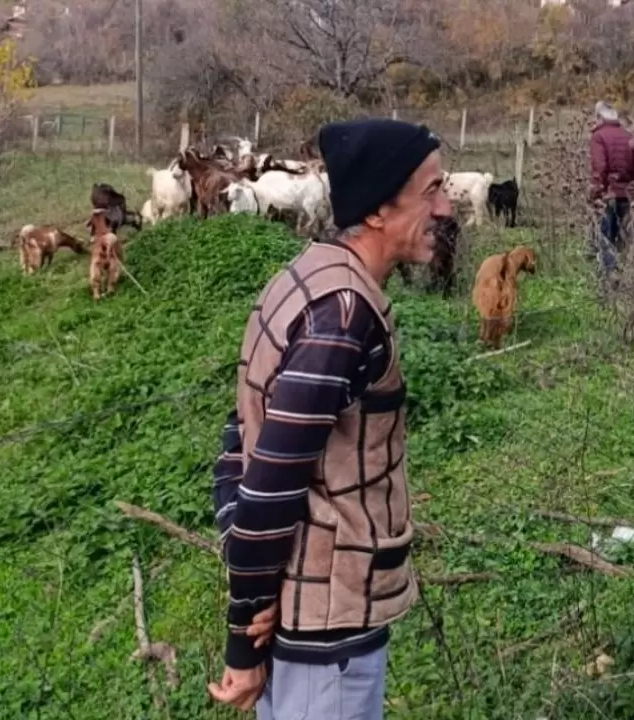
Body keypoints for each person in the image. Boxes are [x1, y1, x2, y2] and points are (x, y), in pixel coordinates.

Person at [207, 118, 453, 719]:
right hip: (328, 636)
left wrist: (255, 592)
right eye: (431, 190)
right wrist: (244, 630)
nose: (447, 207)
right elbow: (270, 483)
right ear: (376, 210)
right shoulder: (344, 318)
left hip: (306, 619)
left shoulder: (305, 275)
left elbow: (240, 438)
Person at [588, 100, 634, 274]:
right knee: (620, 237)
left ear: (599, 117)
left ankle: (609, 277)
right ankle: (626, 273)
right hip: (627, 194)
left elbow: (599, 168)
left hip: (608, 194)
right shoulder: (628, 136)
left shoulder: (599, 137)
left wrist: (595, 193)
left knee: (604, 237)